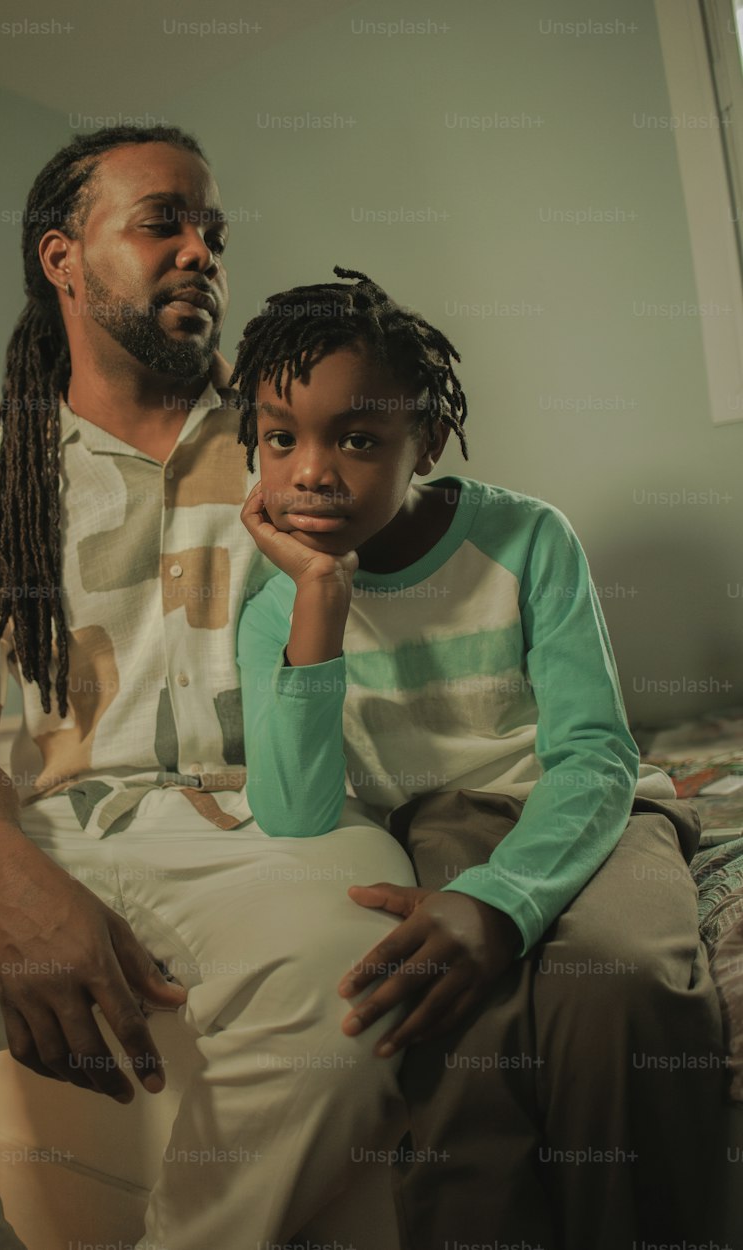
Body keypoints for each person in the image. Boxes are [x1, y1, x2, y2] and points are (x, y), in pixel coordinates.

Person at [0, 133, 416, 1250]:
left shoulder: (294, 441)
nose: (201, 250)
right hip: (63, 829)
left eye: (214, 232)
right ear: (63, 257)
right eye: (164, 222)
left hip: (281, 834)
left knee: (349, 1005)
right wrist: (17, 889)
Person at [233, 266, 729, 1249]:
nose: (311, 470)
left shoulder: (525, 537)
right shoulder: (275, 607)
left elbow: (592, 751)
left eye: (358, 438)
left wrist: (502, 899)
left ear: (429, 441)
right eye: (280, 436)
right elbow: (292, 813)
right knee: (452, 1017)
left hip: (589, 810)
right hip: (432, 825)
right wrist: (320, 605)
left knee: (620, 981)